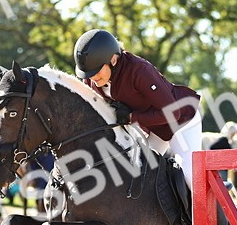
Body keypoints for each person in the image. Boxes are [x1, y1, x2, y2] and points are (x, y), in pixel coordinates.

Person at [73, 28, 201, 191]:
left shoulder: (139, 70)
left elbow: (173, 113)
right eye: (87, 74)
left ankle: (222, 213)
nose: (92, 78)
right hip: (156, 129)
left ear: (113, 59)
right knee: (136, 174)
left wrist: (132, 117)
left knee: (190, 176)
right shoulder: (92, 81)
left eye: (96, 71)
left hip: (182, 121)